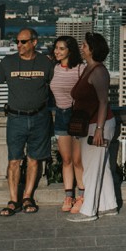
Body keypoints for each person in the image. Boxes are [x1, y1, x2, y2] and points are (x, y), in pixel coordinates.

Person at [0, 28, 54, 217]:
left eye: (23, 42)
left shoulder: (46, 63)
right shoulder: (8, 62)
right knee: (14, 160)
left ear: (34, 42)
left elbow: (57, 85)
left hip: (40, 118)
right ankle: (13, 200)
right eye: (17, 42)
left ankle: (28, 197)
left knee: (33, 160)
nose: (19, 45)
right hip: (16, 118)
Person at [68, 32, 117, 222]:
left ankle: (88, 210)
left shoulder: (98, 72)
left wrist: (99, 129)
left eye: (85, 45)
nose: (82, 47)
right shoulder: (88, 69)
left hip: (98, 124)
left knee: (91, 168)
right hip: (88, 124)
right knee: (101, 167)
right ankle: (109, 205)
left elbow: (103, 101)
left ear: (92, 49)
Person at [49, 36, 85, 213]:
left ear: (70, 50)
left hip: (77, 116)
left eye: (62, 48)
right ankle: (68, 195)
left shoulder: (80, 69)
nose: (57, 51)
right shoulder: (53, 68)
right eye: (56, 48)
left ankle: (82, 195)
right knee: (66, 159)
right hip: (61, 115)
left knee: (78, 160)